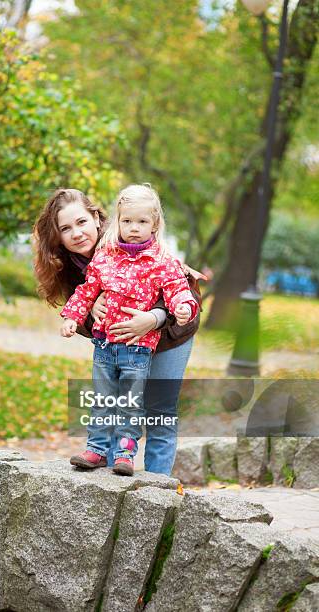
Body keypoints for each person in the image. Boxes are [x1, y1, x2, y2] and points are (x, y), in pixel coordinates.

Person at [33, 187, 205, 476]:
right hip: (120, 345)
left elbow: (183, 292)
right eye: (65, 228)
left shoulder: (137, 239)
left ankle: (156, 486)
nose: (76, 233)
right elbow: (81, 310)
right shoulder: (70, 267)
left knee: (159, 411)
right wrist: (90, 310)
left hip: (168, 336)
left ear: (98, 218)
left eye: (81, 222)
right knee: (115, 402)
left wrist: (154, 318)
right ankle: (115, 477)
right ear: (57, 237)